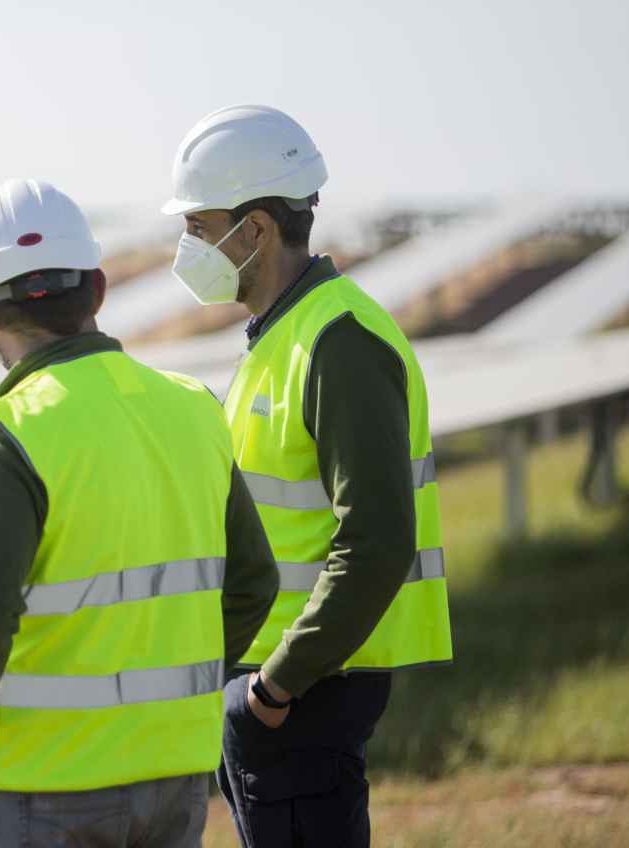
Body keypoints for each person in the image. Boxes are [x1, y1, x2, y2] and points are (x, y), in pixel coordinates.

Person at [0, 178, 280, 848]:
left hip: (40, 782)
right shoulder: (193, 408)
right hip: (173, 776)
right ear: (98, 289)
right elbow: (253, 583)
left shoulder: (2, 439)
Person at [161, 105, 454, 846]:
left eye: (199, 226)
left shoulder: (337, 341)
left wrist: (272, 688)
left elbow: (379, 539)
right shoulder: (280, 336)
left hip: (309, 687)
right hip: (281, 684)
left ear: (255, 228)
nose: (187, 246)